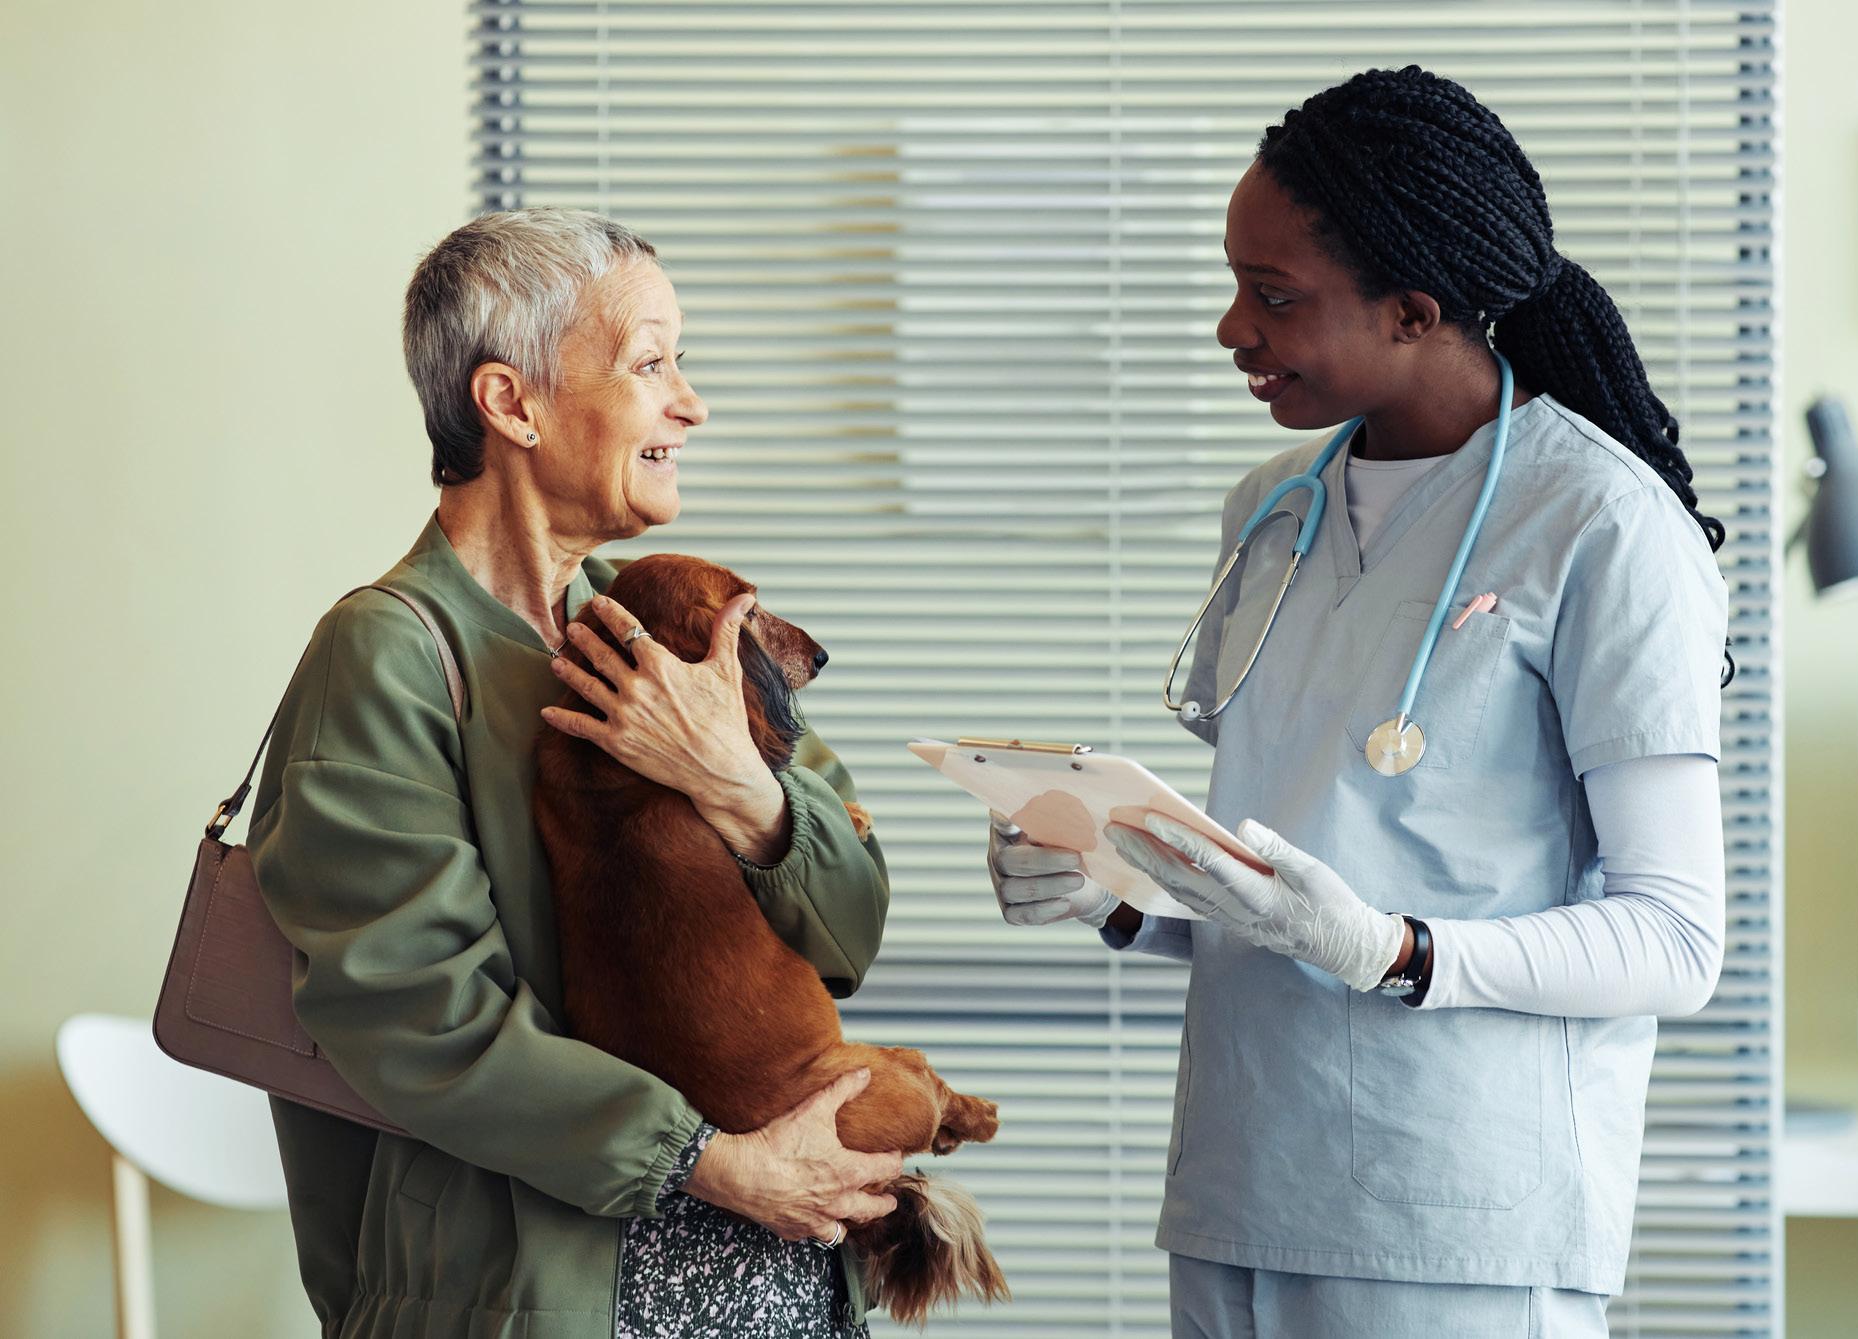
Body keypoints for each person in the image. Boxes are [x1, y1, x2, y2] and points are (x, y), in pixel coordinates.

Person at [988, 67, 1729, 1338]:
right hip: (1238, 1191)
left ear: (1412, 311)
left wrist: (1394, 952)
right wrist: (1111, 894)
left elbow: (1672, 941)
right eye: (1234, 285)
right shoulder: (1271, 510)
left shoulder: (1603, 525)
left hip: (1457, 1221)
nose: (1231, 328)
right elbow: (1286, 897)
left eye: (1273, 296)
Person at [249, 208, 902, 1339]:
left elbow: (850, 929)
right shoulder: (387, 655)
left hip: (784, 1285)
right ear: (512, 404)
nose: (690, 405)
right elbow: (421, 1017)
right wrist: (715, 1165)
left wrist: (737, 783)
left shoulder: (669, 630)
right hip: (550, 1302)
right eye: (650, 364)